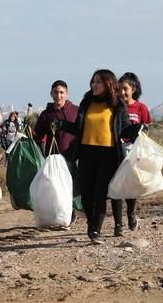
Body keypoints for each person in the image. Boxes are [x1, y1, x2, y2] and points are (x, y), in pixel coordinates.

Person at [55, 69, 141, 244]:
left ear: (108, 84)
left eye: (98, 82)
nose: (94, 85)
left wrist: (137, 130)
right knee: (86, 194)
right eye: (93, 81)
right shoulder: (86, 102)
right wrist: (62, 125)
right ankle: (90, 221)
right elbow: (80, 129)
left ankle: (96, 230)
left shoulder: (117, 105)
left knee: (100, 193)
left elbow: (123, 129)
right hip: (86, 153)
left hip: (108, 155)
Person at [110, 72, 152, 236]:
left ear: (133, 89)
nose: (122, 92)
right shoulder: (114, 107)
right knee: (115, 184)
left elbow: (146, 129)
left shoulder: (141, 108)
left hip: (134, 151)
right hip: (116, 149)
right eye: (119, 89)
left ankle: (131, 212)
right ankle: (118, 224)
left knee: (130, 185)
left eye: (125, 89)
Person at [34, 80, 80, 224]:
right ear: (51, 94)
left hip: (71, 155)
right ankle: (57, 213)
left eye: (61, 93)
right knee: (55, 186)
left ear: (66, 94)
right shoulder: (46, 115)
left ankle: (70, 211)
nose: (58, 95)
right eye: (56, 92)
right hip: (53, 157)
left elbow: (82, 131)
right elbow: (38, 135)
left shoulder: (75, 110)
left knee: (69, 184)